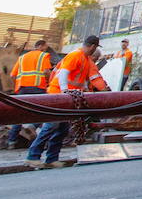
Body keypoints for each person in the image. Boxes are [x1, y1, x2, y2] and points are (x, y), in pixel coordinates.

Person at [26, 35, 110, 170]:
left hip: (67, 96)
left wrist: (104, 90)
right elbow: (64, 74)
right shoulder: (75, 56)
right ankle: (33, 157)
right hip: (59, 95)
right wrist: (65, 91)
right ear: (93, 47)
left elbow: (93, 77)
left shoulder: (85, 59)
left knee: (62, 129)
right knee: (51, 126)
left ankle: (51, 159)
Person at [6, 40, 56, 149]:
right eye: (45, 47)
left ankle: (11, 141)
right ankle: (33, 127)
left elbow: (12, 75)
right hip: (38, 88)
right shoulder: (44, 56)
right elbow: (46, 72)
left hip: (22, 89)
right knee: (44, 112)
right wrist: (48, 83)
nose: (46, 49)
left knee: (20, 115)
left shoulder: (22, 57)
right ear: (41, 46)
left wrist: (19, 85)